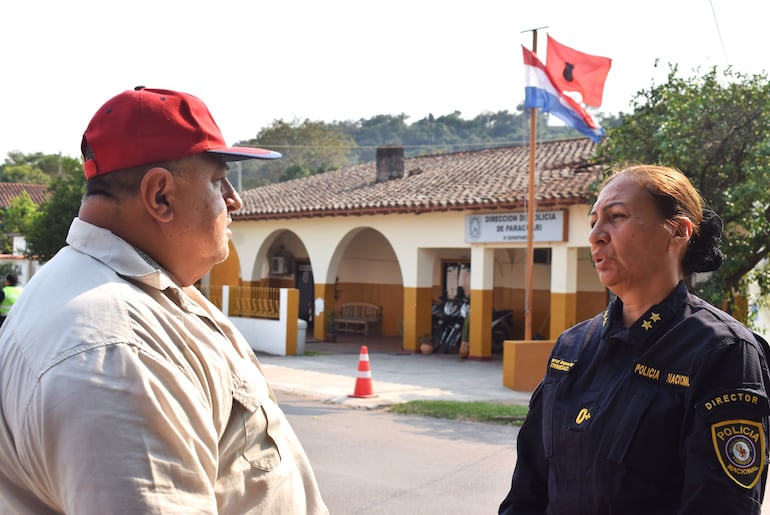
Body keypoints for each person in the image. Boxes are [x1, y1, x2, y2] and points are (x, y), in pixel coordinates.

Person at [0, 87, 328, 514]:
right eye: (217, 180)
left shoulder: (139, 293)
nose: (235, 199)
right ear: (160, 195)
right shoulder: (119, 351)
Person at [499, 164, 770, 514]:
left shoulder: (723, 351)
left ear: (678, 232)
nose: (596, 234)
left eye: (617, 216)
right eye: (593, 220)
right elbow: (528, 488)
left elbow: (720, 505)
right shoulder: (571, 346)